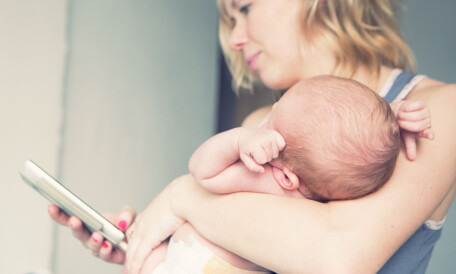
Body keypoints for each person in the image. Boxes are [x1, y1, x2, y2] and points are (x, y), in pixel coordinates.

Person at [49, 0, 456, 273]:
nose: (235, 40)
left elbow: (339, 257)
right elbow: (229, 249)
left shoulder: (442, 108)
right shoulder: (262, 124)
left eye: (246, 8)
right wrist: (146, 241)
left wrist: (182, 199)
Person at [143, 75, 433, 273]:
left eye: (273, 118)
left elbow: (202, 170)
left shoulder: (265, 180)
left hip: (195, 265)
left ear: (286, 177)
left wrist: (236, 141)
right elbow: (350, 142)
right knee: (139, 247)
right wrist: (389, 124)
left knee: (143, 259)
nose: (268, 115)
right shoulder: (316, 198)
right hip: (192, 258)